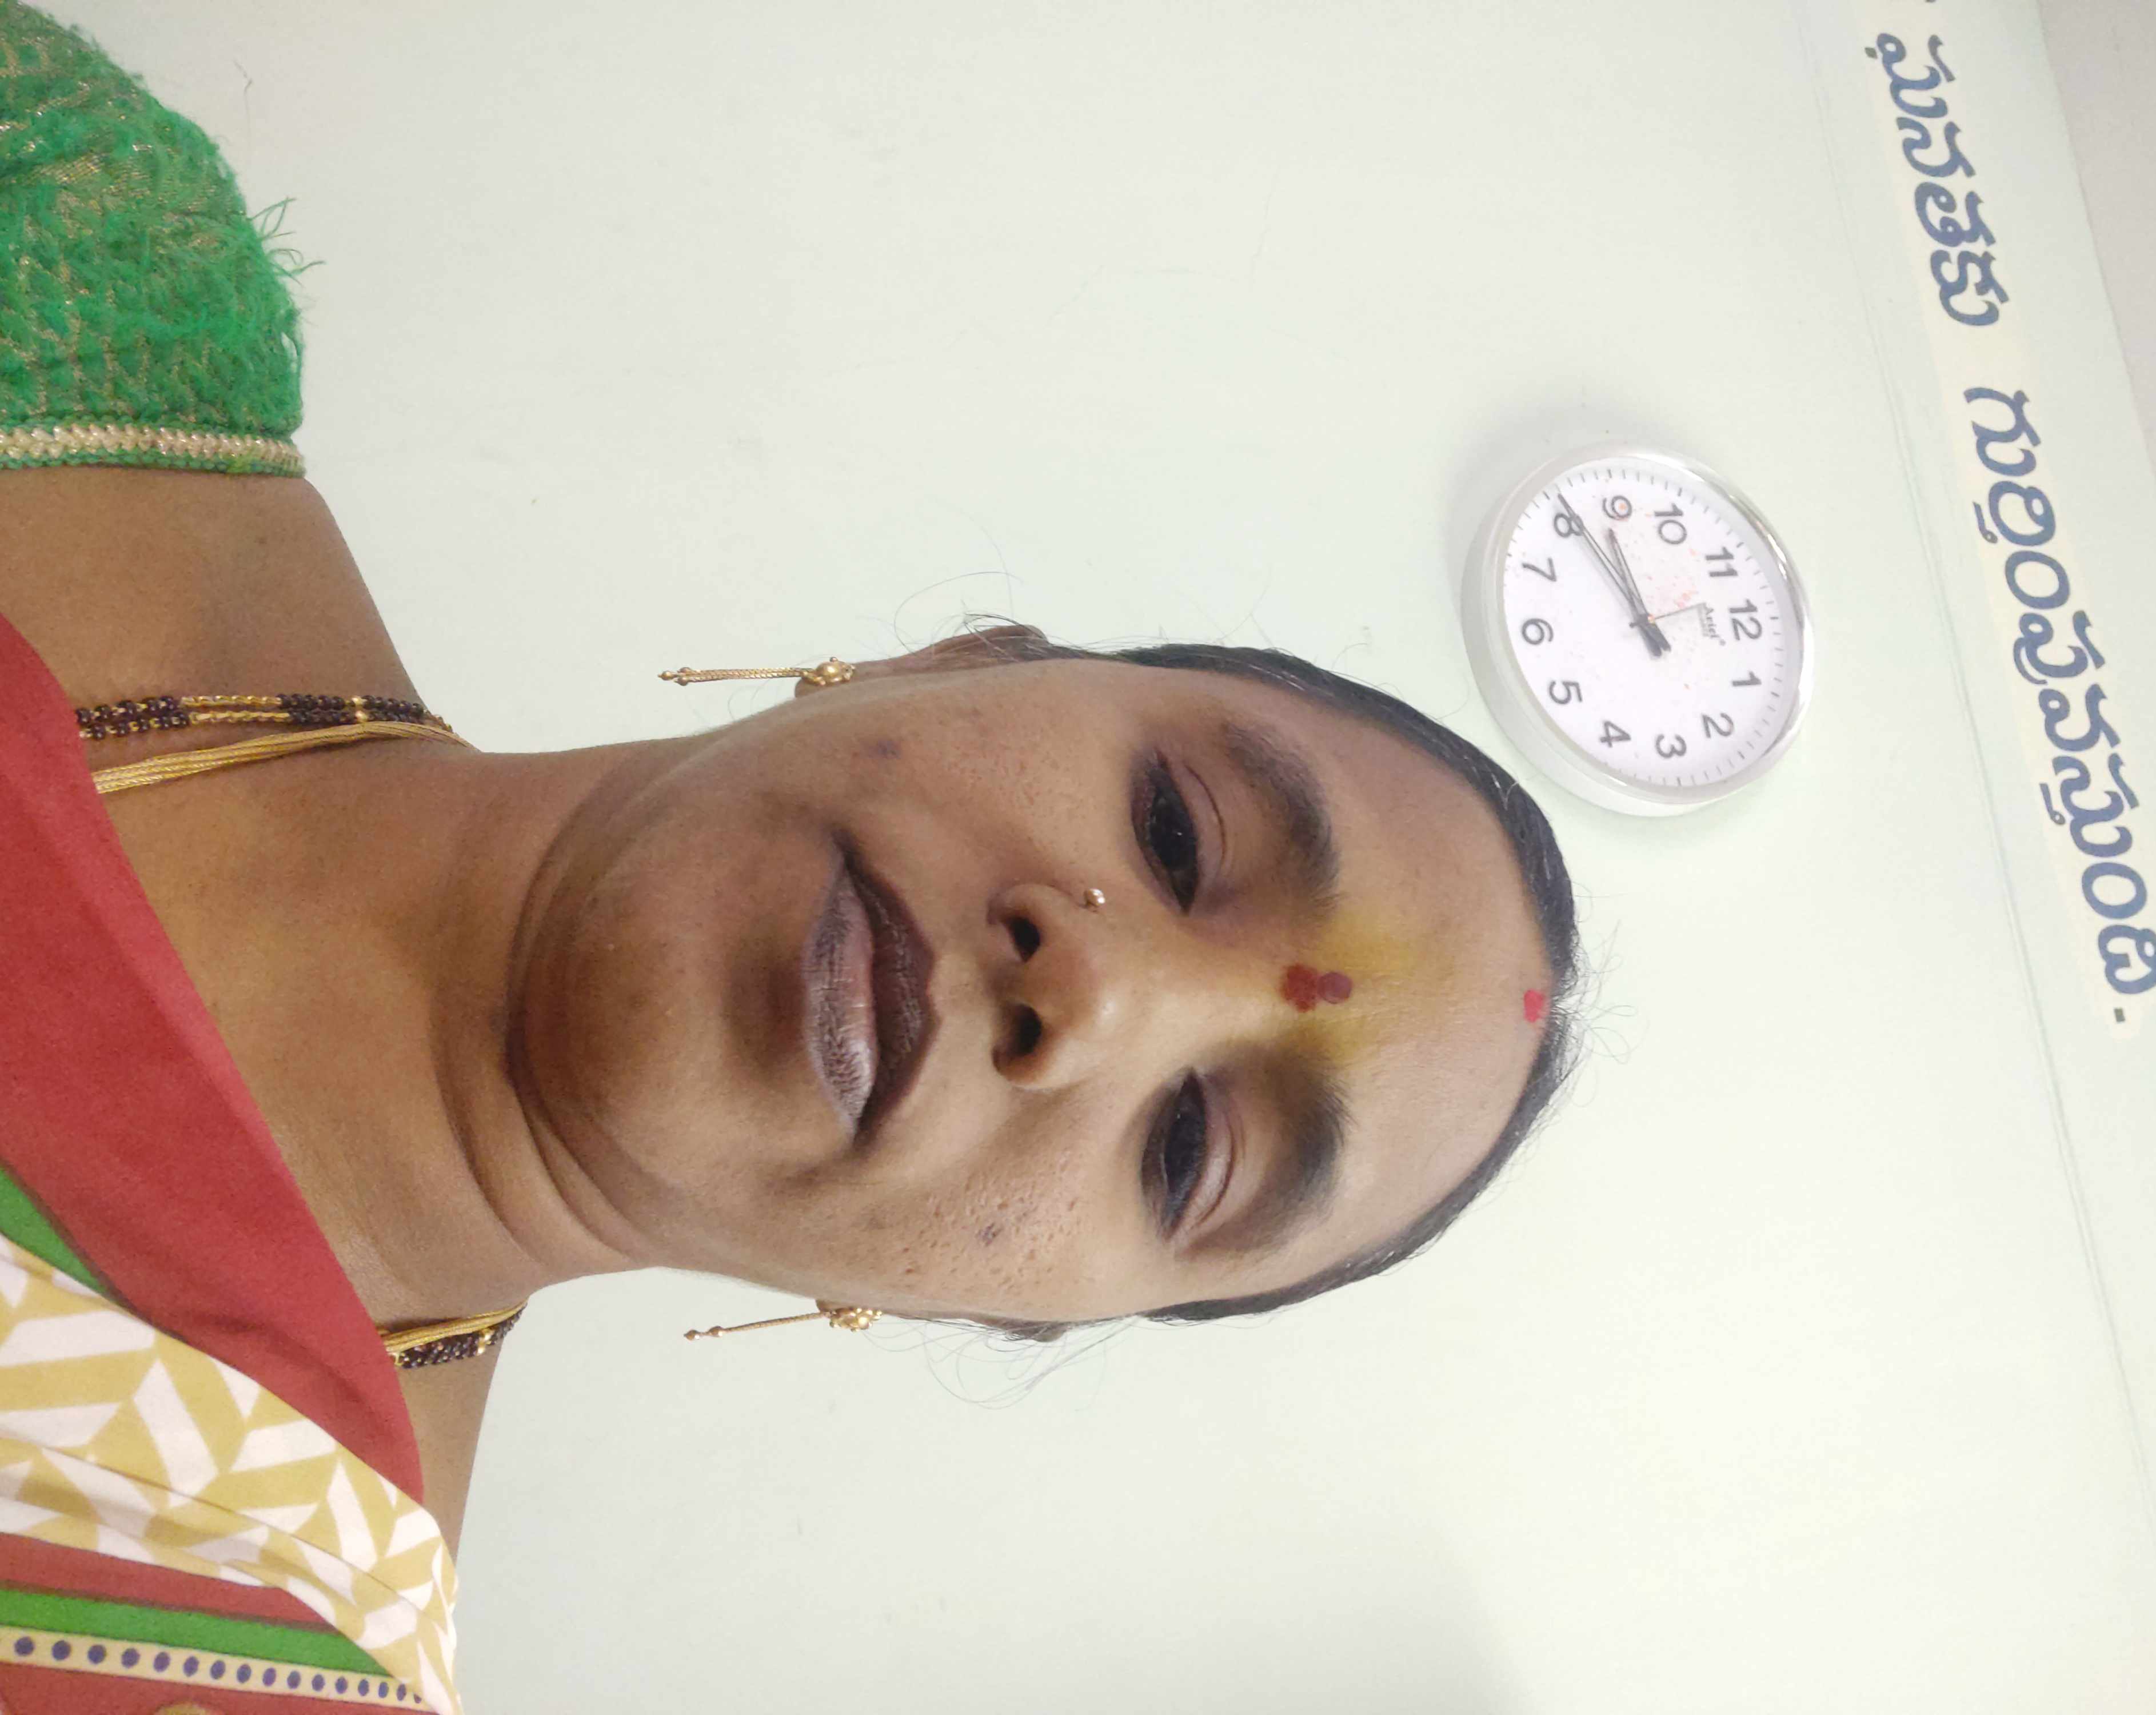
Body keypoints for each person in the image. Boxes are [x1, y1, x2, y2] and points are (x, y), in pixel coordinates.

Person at [0, 4, 1581, 1710]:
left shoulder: (219, 1643)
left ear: (1000, 1313)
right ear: (952, 660)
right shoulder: (72, 250)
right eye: (1176, 830)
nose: (1098, 993)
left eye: (1191, 1149)